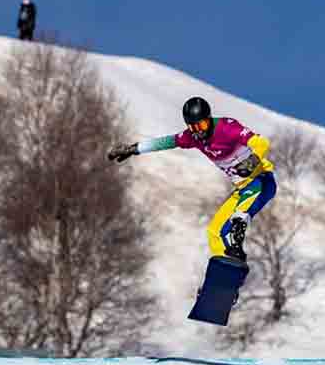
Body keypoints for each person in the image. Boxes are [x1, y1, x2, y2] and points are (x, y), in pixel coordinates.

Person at [107, 96, 276, 262]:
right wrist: (135, 149)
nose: (199, 130)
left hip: (261, 180)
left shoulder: (226, 127)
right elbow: (167, 142)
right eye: (193, 127)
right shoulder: (193, 137)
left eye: (201, 124)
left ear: (208, 119)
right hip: (242, 189)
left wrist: (251, 161)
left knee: (238, 218)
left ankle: (237, 235)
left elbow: (262, 143)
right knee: (214, 232)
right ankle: (224, 276)